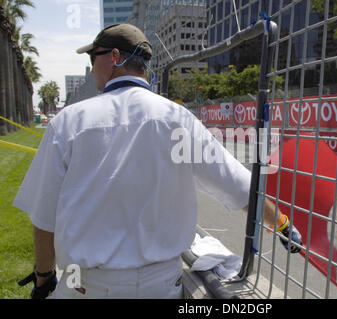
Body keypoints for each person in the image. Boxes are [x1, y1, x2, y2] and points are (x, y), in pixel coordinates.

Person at [13, 24, 302, 299]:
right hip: (162, 283)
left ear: (114, 57)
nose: (91, 67)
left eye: (93, 56)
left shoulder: (69, 121)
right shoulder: (179, 119)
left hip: (86, 284)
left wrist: (44, 276)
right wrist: (283, 224)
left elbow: (43, 218)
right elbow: (238, 187)